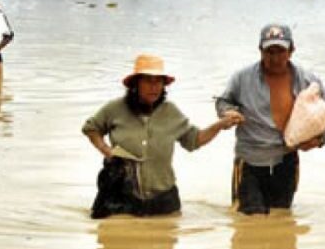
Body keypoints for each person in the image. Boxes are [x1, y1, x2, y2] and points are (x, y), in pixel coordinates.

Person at [82, 54, 242, 218]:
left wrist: (220, 125)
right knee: (117, 239)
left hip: (164, 199)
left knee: (166, 238)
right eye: (148, 81)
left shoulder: (170, 112)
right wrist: (105, 149)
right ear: (136, 83)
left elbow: (194, 140)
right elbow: (91, 128)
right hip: (122, 196)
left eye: (159, 81)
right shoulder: (115, 108)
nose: (154, 87)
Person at [215, 23, 325, 215]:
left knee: (281, 217)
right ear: (260, 51)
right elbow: (223, 101)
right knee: (250, 222)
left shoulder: (306, 79)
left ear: (291, 51)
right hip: (250, 162)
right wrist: (228, 113)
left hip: (287, 162)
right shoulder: (242, 78)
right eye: (269, 51)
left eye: (280, 51)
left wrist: (322, 138)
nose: (275, 58)